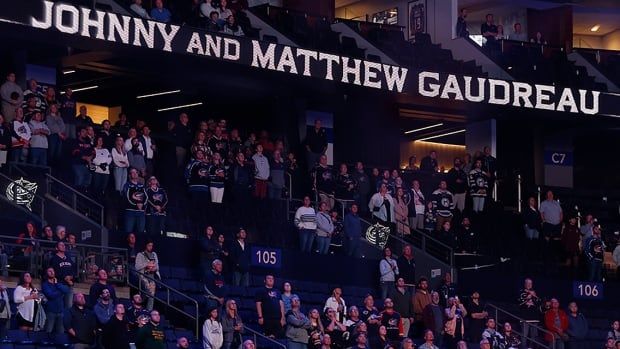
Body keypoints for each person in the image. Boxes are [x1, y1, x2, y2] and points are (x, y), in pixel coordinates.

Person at [42, 267, 71, 335]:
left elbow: (67, 290)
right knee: (48, 332)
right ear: (46, 273)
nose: (52, 272)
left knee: (61, 333)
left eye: (53, 271)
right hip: (50, 312)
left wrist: (57, 284)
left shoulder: (58, 283)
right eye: (50, 271)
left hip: (60, 312)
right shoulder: (45, 284)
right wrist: (61, 292)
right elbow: (51, 295)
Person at [49, 241, 76, 309]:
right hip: (59, 285)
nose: (63, 246)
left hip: (69, 285)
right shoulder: (54, 259)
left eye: (64, 245)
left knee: (69, 307)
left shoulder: (68, 258)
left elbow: (73, 270)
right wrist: (64, 278)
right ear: (56, 248)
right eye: (61, 245)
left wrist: (71, 277)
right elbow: (52, 272)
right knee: (58, 306)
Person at [135, 241, 160, 311]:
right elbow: (137, 267)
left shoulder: (154, 254)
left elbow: (157, 266)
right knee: (145, 291)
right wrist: (147, 264)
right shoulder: (140, 254)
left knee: (152, 294)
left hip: (151, 276)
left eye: (151, 245)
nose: (150, 247)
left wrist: (154, 268)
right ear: (145, 245)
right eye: (149, 245)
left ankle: (149, 310)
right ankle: (140, 308)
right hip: (143, 275)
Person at [124, 168, 147, 234]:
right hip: (130, 212)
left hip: (141, 212)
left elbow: (146, 197)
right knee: (128, 233)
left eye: (135, 172)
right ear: (130, 175)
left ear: (138, 174)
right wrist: (136, 205)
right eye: (132, 172)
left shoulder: (142, 185)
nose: (134, 174)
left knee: (141, 233)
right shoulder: (127, 185)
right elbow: (127, 198)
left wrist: (142, 205)